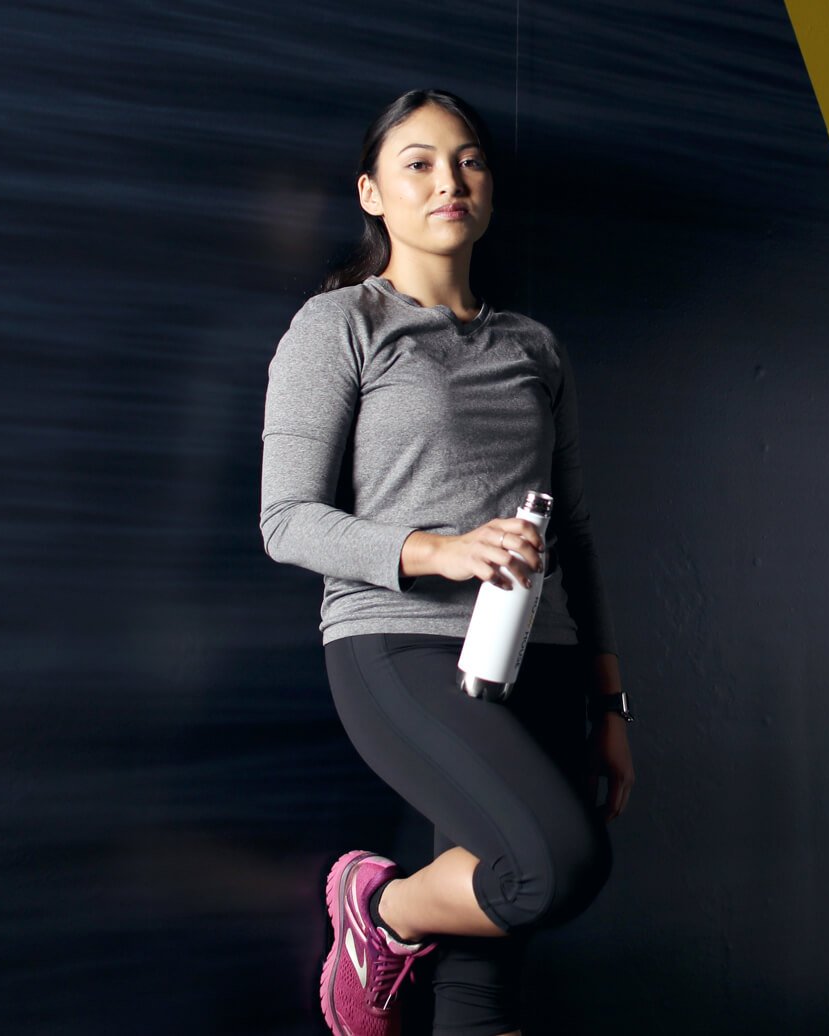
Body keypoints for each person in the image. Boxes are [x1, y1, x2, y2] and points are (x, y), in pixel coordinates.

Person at [259, 88, 635, 1036]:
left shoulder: (535, 347)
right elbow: (286, 520)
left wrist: (610, 704)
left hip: (535, 655)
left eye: (467, 160)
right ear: (372, 194)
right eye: (417, 163)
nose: (447, 181)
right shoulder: (341, 324)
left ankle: (398, 932)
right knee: (557, 865)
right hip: (400, 646)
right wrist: (441, 550)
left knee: (487, 969)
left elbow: (577, 536)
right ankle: (377, 912)